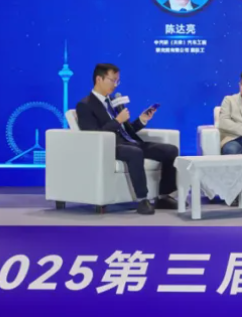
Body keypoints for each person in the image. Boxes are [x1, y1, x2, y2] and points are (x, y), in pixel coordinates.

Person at [74, 63, 177, 215]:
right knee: (134, 152)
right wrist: (117, 121)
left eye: (117, 81)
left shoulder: (113, 102)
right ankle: (142, 199)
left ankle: (163, 196)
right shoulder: (85, 105)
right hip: (110, 147)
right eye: (112, 80)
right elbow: (94, 135)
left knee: (170, 150)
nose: (115, 85)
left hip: (130, 143)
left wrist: (141, 120)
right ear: (99, 79)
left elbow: (126, 130)